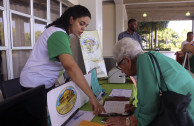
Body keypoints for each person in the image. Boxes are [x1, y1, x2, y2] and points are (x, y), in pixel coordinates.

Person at [20, 5, 104, 115]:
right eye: (81, 23)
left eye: (86, 25)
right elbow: (70, 67)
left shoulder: (62, 33)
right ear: (71, 19)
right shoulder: (58, 34)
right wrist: (92, 97)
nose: (84, 28)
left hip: (44, 83)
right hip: (34, 86)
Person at [106, 37, 194, 126]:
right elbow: (151, 97)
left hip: (185, 114)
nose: (121, 71)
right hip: (183, 107)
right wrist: (137, 109)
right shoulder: (149, 56)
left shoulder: (143, 60)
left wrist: (127, 121)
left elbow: (150, 105)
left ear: (127, 60)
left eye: (120, 66)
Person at [118, 18, 143, 86]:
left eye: (136, 24)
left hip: (134, 62)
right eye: (134, 24)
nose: (136, 26)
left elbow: (141, 49)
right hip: (124, 61)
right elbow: (119, 48)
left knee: (133, 81)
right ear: (129, 24)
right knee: (123, 80)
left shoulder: (138, 36)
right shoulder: (122, 35)